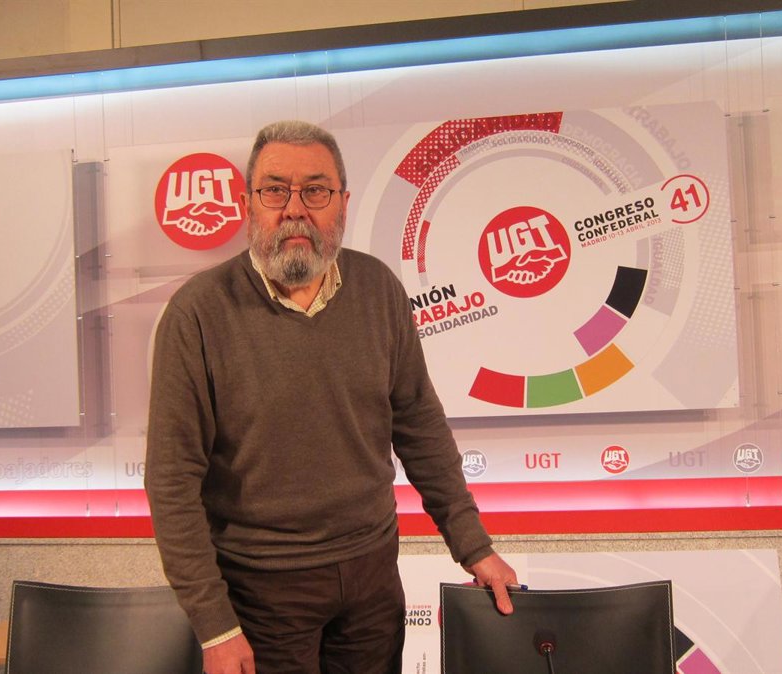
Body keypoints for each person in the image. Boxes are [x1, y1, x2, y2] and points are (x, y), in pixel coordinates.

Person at [145, 119, 518, 674]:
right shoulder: (197, 313)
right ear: (247, 204)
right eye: (275, 190)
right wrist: (214, 624)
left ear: (343, 203)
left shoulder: (379, 289)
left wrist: (474, 545)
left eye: (315, 190)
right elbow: (172, 480)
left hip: (373, 580)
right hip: (260, 593)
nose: (294, 209)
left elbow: (420, 428)